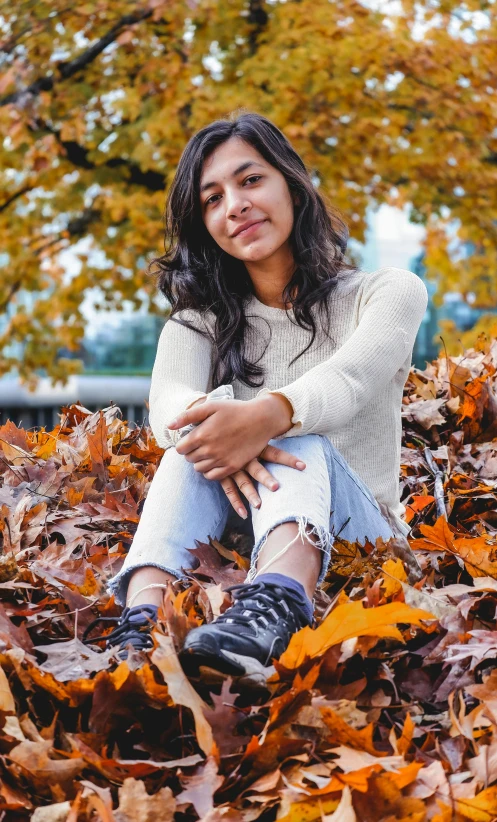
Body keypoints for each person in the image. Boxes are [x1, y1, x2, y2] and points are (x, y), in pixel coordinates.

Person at [83, 110, 428, 684]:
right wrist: (227, 431)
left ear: (292, 185)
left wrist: (265, 417)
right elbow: (167, 407)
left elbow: (349, 381)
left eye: (249, 181)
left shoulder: (388, 293)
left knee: (299, 433)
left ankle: (278, 605)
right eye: (212, 199)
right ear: (205, 226)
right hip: (245, 544)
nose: (234, 205)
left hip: (365, 546)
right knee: (187, 446)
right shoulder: (197, 325)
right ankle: (142, 618)